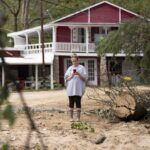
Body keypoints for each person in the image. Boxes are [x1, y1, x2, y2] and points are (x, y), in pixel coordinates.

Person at [64, 54, 87, 122]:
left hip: (78, 88)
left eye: (75, 61)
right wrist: (71, 75)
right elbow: (66, 78)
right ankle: (71, 118)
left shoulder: (81, 68)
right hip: (71, 88)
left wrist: (78, 74)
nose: (74, 62)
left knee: (78, 102)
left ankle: (78, 118)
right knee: (71, 102)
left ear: (77, 60)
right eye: (72, 61)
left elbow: (84, 78)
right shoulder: (70, 68)